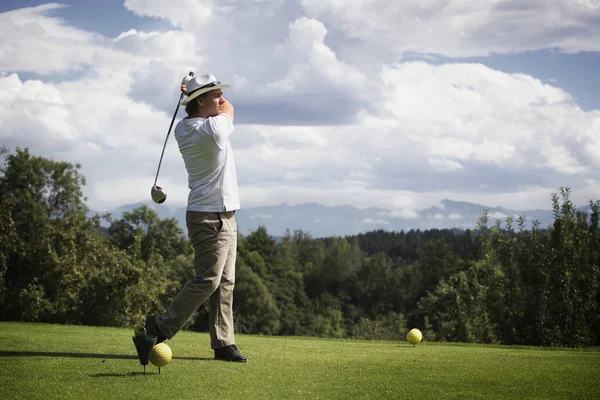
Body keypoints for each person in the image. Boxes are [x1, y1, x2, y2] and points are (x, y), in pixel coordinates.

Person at [145, 73, 246, 362]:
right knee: (209, 280)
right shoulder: (212, 129)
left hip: (225, 213)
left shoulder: (185, 127)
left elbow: (218, 107)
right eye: (216, 94)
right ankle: (160, 326)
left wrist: (191, 94)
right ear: (201, 100)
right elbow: (230, 109)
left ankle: (223, 343)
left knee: (226, 282)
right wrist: (192, 94)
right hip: (208, 216)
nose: (222, 99)